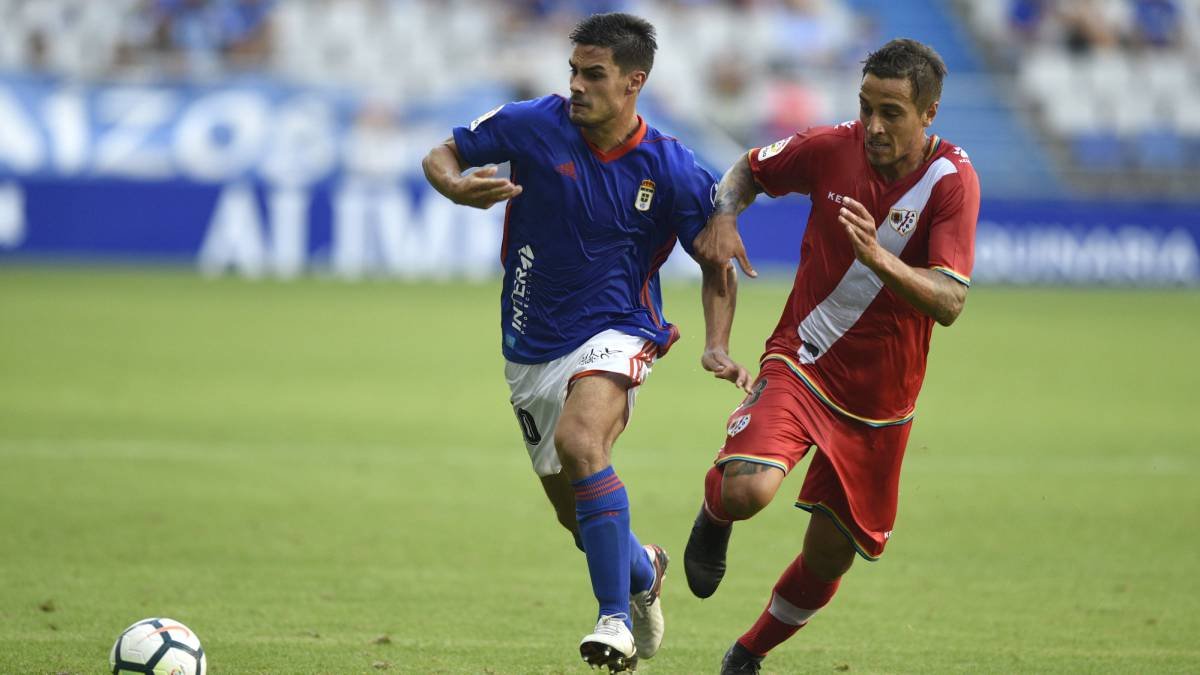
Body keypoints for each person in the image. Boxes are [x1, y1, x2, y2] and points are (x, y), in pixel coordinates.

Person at [420, 12, 749, 672]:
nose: (576, 85)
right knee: (579, 519)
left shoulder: (672, 169)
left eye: (593, 74)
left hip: (619, 329)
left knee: (582, 441)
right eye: (572, 71)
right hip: (530, 342)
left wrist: (717, 341)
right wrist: (454, 185)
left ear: (634, 82)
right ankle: (643, 566)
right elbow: (443, 153)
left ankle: (613, 620)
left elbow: (717, 259)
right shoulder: (534, 125)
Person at [683, 38, 980, 673]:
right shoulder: (830, 147)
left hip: (881, 405)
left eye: (891, 112)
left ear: (928, 113)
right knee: (748, 490)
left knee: (828, 558)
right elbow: (749, 169)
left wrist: (879, 258)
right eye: (866, 106)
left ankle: (748, 653)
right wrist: (727, 214)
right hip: (803, 361)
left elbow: (950, 301)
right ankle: (714, 514)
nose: (873, 125)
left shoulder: (952, 184)